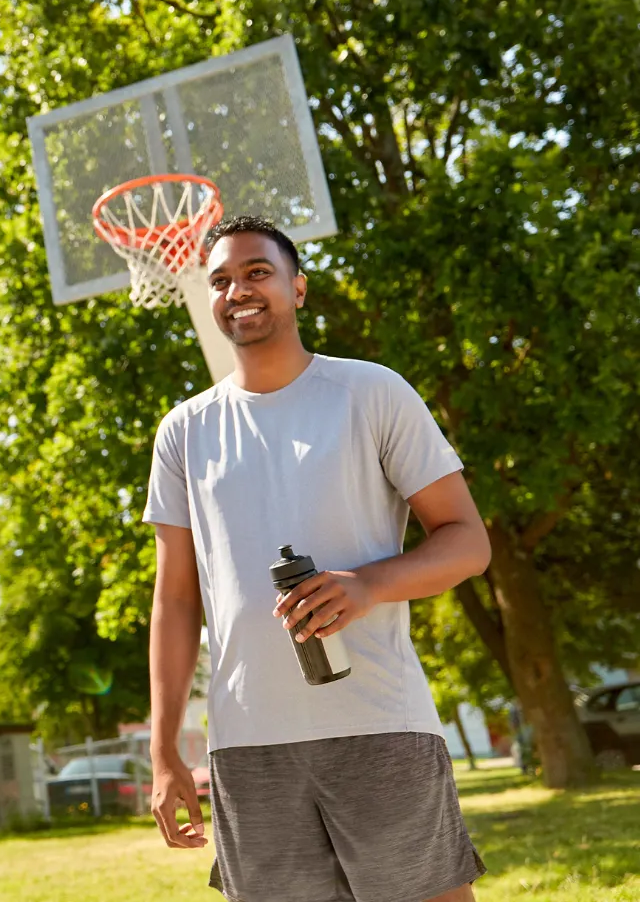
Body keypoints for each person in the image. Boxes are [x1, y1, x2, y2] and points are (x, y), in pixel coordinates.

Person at [143, 215, 492, 902]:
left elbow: (467, 540)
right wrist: (162, 748)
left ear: (298, 288)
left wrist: (366, 585)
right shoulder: (183, 430)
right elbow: (176, 600)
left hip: (379, 724)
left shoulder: (372, 392)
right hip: (247, 744)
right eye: (220, 279)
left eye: (257, 272)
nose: (237, 289)